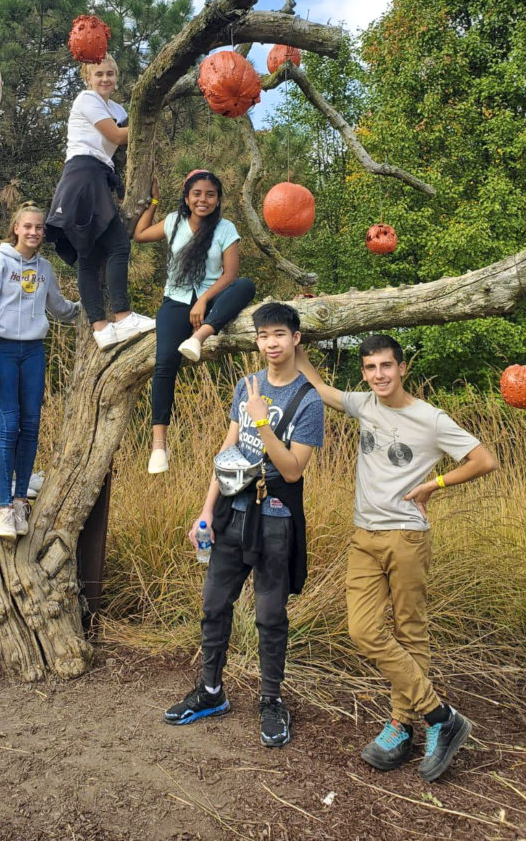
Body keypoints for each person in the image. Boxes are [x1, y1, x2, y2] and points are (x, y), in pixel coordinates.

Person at [294, 336, 498, 781]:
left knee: (410, 631)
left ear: (402, 368)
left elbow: (485, 459)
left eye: (386, 366)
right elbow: (319, 388)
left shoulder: (429, 418)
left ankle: (402, 727)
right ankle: (441, 717)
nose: (378, 375)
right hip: (364, 536)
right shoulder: (365, 404)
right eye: (370, 367)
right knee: (363, 630)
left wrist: (435, 484)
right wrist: (297, 345)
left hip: (407, 537)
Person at [164, 302, 323, 747]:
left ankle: (271, 700)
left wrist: (261, 420)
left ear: (296, 339)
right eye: (263, 335)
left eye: (279, 334)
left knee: (270, 616)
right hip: (231, 513)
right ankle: (211, 691)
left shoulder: (308, 400)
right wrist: (204, 511)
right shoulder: (246, 384)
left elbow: (292, 470)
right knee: (214, 605)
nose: (271, 343)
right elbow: (228, 451)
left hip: (276, 519)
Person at [133, 169, 255, 474]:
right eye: (197, 194)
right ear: (187, 197)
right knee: (164, 362)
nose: (203, 199)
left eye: (210, 194)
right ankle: (159, 445)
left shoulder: (225, 228)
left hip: (213, 299)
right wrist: (154, 201)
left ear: (217, 200)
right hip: (176, 299)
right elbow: (140, 234)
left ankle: (199, 337)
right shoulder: (174, 221)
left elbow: (230, 274)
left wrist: (202, 301)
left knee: (245, 286)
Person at [0, 203, 79, 541]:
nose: (34, 233)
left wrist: (91, 306)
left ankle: (20, 500)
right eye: (28, 226)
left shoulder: (44, 267)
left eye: (39, 228)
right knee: (11, 425)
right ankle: (4, 509)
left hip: (33, 351)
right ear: (16, 227)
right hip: (2, 351)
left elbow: (59, 307)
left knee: (31, 425)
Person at [45, 54, 155, 351]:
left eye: (110, 74)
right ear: (87, 78)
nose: (105, 79)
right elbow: (118, 136)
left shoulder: (116, 107)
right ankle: (122, 315)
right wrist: (148, 127)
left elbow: (125, 130)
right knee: (118, 245)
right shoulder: (86, 99)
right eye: (99, 75)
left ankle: (100, 326)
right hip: (84, 173)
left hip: (95, 175)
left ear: (116, 76)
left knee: (89, 256)